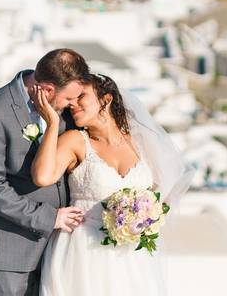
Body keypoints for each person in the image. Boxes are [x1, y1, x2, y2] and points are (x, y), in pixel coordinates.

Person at [31, 72, 192, 296]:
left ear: (106, 99)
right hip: (82, 252)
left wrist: (147, 217)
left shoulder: (139, 141)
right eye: (71, 100)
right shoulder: (74, 141)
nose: (73, 105)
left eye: (81, 97)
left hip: (131, 256)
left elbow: (168, 187)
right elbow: (42, 177)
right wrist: (52, 124)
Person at [0, 48, 89, 296]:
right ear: (48, 90)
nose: (73, 105)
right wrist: (48, 218)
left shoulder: (66, 113)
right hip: (9, 252)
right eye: (68, 99)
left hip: (58, 249)